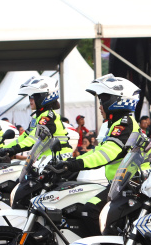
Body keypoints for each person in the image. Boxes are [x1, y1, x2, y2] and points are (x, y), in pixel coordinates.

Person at [54, 74, 141, 233]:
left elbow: (107, 154)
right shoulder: (116, 124)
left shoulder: (124, 124)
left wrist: (74, 164)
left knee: (89, 211)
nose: (100, 106)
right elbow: (98, 151)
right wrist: (71, 163)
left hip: (131, 185)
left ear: (116, 101)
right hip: (119, 184)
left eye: (103, 101)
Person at [1, 76, 73, 159]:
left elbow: (33, 140)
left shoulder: (49, 117)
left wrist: (12, 150)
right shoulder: (37, 118)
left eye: (34, 96)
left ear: (45, 97)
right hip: (47, 159)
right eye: (30, 97)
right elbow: (24, 137)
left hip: (60, 158)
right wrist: (4, 149)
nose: (30, 100)